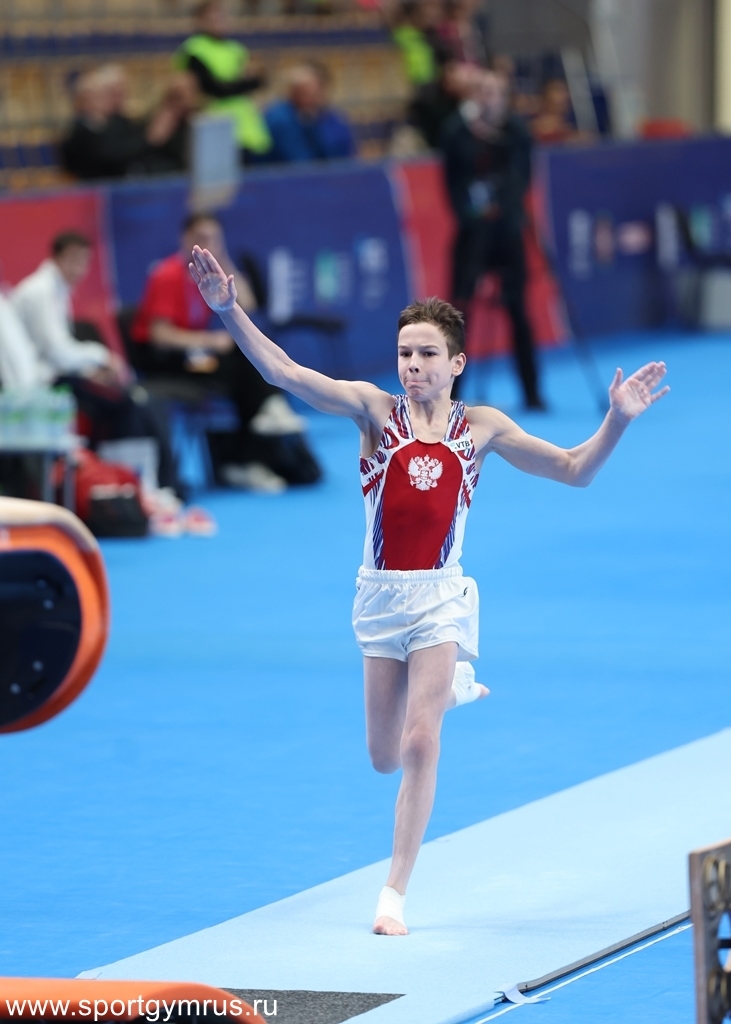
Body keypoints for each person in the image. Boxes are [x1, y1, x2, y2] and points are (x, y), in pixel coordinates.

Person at [188, 244, 669, 935]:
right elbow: (283, 372)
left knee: (419, 743)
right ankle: (447, 690)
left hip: (441, 598)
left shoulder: (481, 429)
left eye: (425, 354)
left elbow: (573, 469)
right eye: (403, 353)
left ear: (457, 363)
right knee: (383, 756)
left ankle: (395, 892)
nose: (411, 365)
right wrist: (229, 310)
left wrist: (615, 420)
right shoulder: (372, 412)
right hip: (379, 599)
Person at [9, 231, 205, 534]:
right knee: (127, 402)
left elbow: (55, 354)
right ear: (57, 257)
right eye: (73, 261)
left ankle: (144, 487)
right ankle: (134, 492)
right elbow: (57, 353)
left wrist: (92, 368)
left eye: (84, 262)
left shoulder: (56, 289)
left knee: (135, 400)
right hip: (40, 393)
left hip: (56, 379)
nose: (79, 269)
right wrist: (102, 357)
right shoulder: (40, 291)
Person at [131, 212, 322, 492]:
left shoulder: (209, 274)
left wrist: (223, 262)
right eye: (201, 238)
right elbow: (160, 336)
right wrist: (210, 341)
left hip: (195, 357)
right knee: (241, 364)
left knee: (245, 363)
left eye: (214, 239)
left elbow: (248, 304)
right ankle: (265, 417)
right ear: (184, 239)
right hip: (164, 361)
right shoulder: (167, 274)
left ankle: (251, 448)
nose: (207, 243)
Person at [441, 68, 546, 409]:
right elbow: (452, 183)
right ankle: (449, 396)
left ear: (504, 97)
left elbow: (522, 178)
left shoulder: (516, 131)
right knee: (459, 315)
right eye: (483, 92)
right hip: (472, 234)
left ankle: (532, 392)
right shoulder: (458, 131)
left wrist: (504, 209)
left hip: (509, 232)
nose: (489, 99)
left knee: (519, 311)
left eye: (495, 92)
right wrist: (473, 214)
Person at [174, 0, 271, 163]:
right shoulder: (194, 50)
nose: (219, 21)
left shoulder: (236, 49)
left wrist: (249, 82)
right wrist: (247, 83)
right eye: (212, 18)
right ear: (200, 21)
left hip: (247, 129)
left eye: (221, 17)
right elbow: (214, 89)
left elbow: (258, 80)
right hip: (216, 127)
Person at [264, 62, 355, 164]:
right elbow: (299, 162)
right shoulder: (280, 119)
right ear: (294, 93)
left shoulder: (326, 116)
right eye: (306, 92)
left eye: (317, 91)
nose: (316, 97)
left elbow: (343, 153)